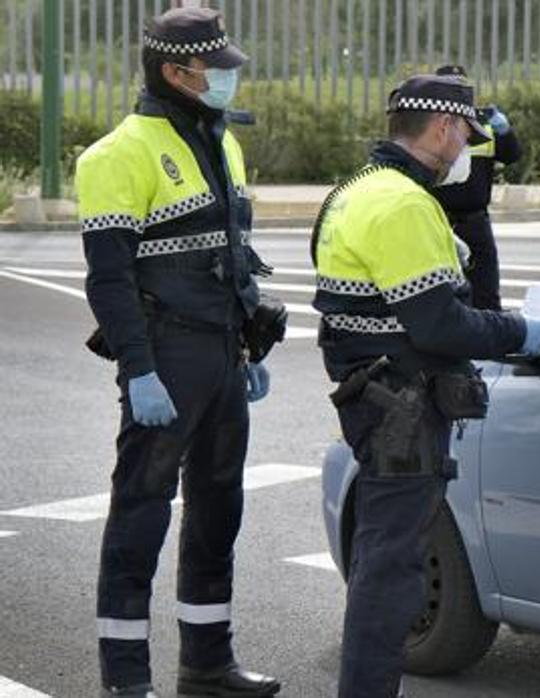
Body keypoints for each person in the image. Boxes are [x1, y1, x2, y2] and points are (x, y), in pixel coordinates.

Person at [310, 73, 540, 697]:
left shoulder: (353, 190)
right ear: (443, 127)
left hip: (372, 394)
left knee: (382, 560)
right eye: (466, 133)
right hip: (404, 403)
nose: (467, 147)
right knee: (392, 572)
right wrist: (523, 330)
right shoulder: (406, 204)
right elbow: (439, 323)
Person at [76, 7, 283, 697]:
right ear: (174, 72)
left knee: (218, 513)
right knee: (141, 514)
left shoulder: (223, 143)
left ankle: (208, 664)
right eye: (214, 70)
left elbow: (235, 254)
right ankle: (125, 680)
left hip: (222, 353)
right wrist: (138, 369)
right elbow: (109, 280)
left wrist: (250, 343)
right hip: (165, 356)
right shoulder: (116, 155)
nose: (226, 80)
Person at [429, 64, 523, 311]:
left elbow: (512, 155)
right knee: (439, 294)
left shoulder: (484, 124)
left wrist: (505, 132)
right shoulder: (426, 125)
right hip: (437, 222)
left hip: (475, 222)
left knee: (486, 295)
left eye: (460, 87)